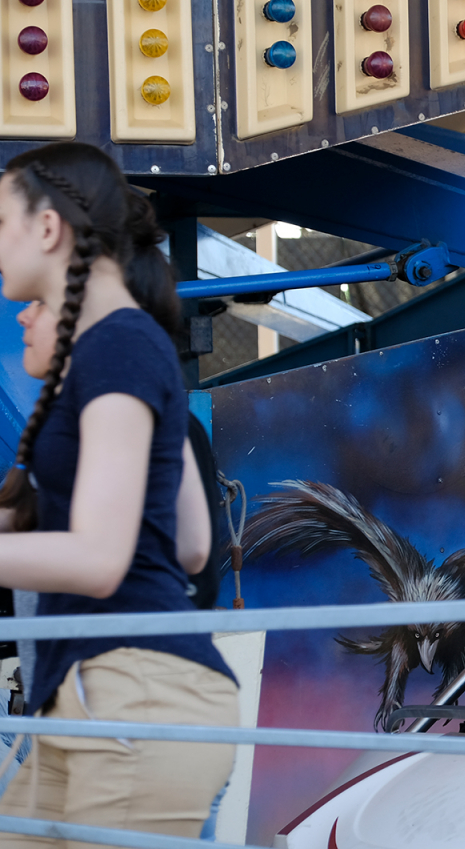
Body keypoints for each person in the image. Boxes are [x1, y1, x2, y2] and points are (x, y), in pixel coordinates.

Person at [0, 142, 237, 844]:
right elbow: (192, 546)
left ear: (48, 230)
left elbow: (102, 558)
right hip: (104, 690)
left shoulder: (119, 345)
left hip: (136, 692)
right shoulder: (130, 345)